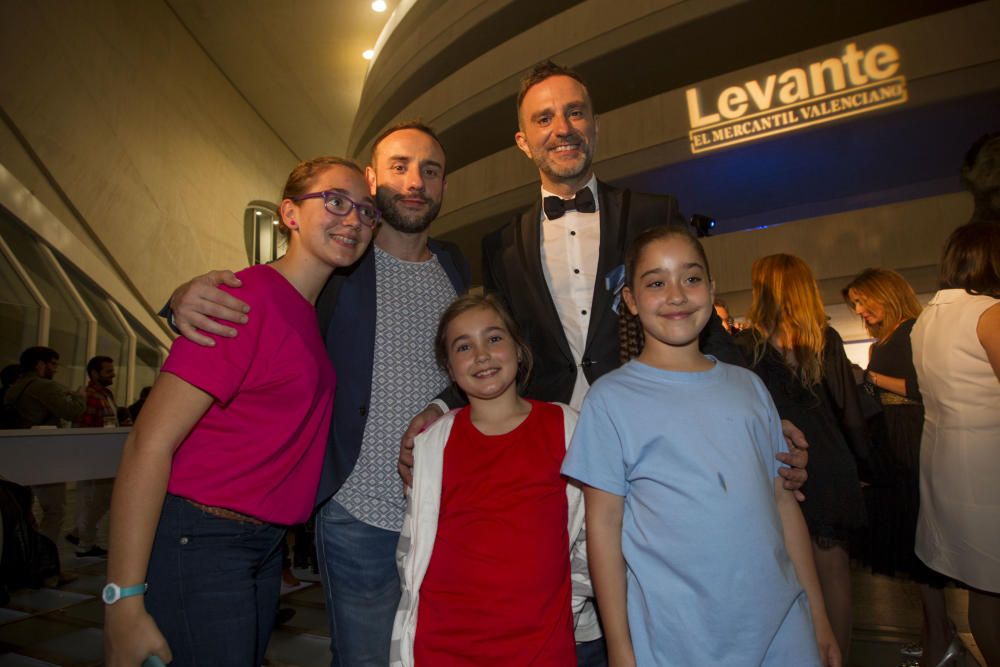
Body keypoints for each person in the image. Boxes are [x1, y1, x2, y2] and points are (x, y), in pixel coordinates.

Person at [163, 122, 469, 666]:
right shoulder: (342, 257)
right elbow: (269, 292)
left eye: (430, 169)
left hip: (445, 510)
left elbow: (481, 360)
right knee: (366, 658)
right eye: (399, 166)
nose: (415, 181)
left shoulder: (459, 266)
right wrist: (184, 297)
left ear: (445, 185)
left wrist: (442, 404)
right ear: (372, 180)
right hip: (355, 511)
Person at [103, 156, 376, 666]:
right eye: (336, 201)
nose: (354, 219)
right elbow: (149, 442)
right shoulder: (243, 299)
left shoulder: (305, 311)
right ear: (290, 215)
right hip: (202, 540)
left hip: (261, 547)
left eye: (366, 210)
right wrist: (122, 599)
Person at [561, 226, 839, 667]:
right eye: (655, 283)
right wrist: (619, 647)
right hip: (679, 639)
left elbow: (783, 505)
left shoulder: (749, 386)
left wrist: (820, 620)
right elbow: (604, 528)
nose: (676, 295)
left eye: (690, 279)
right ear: (630, 301)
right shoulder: (610, 401)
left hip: (783, 628)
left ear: (711, 290)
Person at [391, 293, 588, 666]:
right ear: (449, 368)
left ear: (519, 347)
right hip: (443, 647)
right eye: (464, 346)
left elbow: (587, 542)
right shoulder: (433, 444)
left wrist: (566, 610)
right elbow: (413, 549)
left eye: (494, 338)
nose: (481, 355)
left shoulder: (567, 427)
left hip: (541, 647)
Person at [732, 254, 868, 661]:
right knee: (834, 577)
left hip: (779, 464)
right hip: (829, 462)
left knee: (791, 575)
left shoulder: (746, 347)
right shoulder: (823, 338)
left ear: (763, 290)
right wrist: (865, 466)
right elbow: (851, 413)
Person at [842, 269, 953, 663]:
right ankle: (936, 632)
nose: (859, 309)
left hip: (911, 436)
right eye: (854, 303)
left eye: (862, 300)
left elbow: (925, 387)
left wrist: (869, 378)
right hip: (894, 437)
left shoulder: (912, 331)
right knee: (912, 541)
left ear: (884, 294)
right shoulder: (887, 338)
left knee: (919, 540)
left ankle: (939, 636)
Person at [911, 222, 1000, 666]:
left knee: (984, 585)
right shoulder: (989, 313)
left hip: (948, 465)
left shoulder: (927, 319)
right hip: (989, 470)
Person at [3, 346, 86, 543]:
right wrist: (79, 396)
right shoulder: (45, 387)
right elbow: (72, 412)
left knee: (25, 510)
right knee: (55, 510)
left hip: (16, 454)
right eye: (53, 364)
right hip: (44, 455)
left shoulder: (14, 388)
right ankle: (45, 563)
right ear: (40, 364)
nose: (55, 369)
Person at [67, 355, 123, 558]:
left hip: (104, 456)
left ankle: (80, 535)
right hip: (94, 458)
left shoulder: (106, 393)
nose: (113, 374)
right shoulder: (91, 396)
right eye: (108, 371)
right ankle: (84, 543)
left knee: (99, 500)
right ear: (94, 373)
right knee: (94, 500)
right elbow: (85, 429)